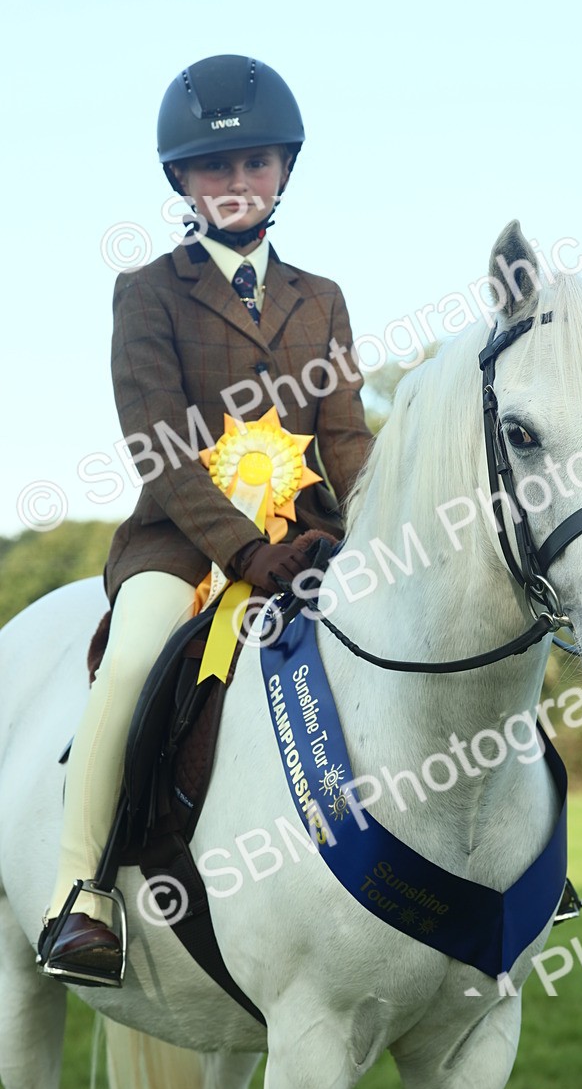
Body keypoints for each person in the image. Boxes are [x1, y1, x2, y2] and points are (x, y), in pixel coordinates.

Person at [38, 54, 372, 986]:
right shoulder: (147, 292)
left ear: (283, 172)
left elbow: (345, 438)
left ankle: (511, 858)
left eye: (256, 163)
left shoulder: (323, 297)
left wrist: (383, 530)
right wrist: (243, 550)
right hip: (182, 545)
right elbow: (158, 446)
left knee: (437, 617)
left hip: (311, 543)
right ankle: (84, 896)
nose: (238, 181)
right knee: (137, 659)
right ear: (180, 180)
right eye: (217, 168)